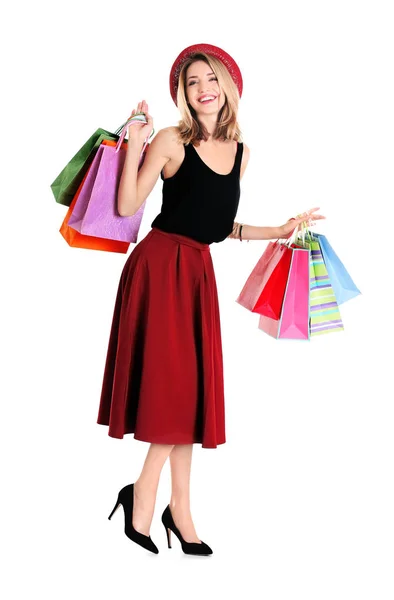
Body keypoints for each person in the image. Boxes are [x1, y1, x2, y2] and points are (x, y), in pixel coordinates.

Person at [97, 43, 325, 556]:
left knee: (191, 392)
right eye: (193, 81)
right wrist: (135, 142)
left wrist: (282, 229)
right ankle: (147, 497)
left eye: (211, 79)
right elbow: (128, 203)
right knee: (175, 391)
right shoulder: (171, 140)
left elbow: (221, 228)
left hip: (197, 270)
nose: (203, 88)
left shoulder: (241, 153)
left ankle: (179, 508)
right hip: (159, 268)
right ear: (183, 91)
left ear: (227, 88)